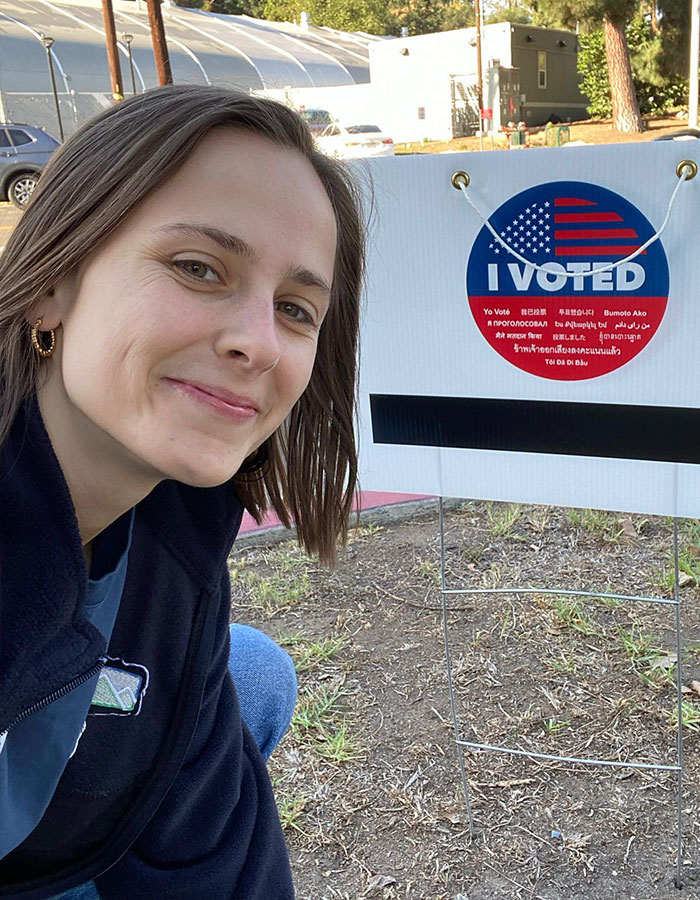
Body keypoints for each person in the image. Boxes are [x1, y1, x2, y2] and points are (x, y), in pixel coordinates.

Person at [0, 84, 364, 899]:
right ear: (52, 280)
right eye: (198, 268)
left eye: (297, 309)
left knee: (253, 675)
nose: (258, 342)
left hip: (65, 842)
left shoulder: (176, 527)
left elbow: (227, 863)